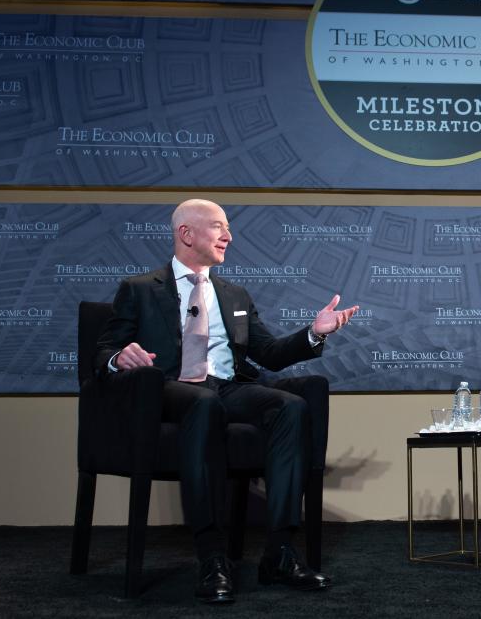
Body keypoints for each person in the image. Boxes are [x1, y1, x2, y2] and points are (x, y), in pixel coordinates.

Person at [96, 199, 359, 604]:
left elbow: (268, 352)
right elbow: (105, 350)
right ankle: (212, 557)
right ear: (186, 233)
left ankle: (281, 553)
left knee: (289, 407)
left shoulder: (233, 293)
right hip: (169, 388)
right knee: (204, 406)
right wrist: (119, 357)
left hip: (226, 386)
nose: (229, 236)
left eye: (228, 228)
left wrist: (315, 332)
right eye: (219, 227)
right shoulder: (139, 290)